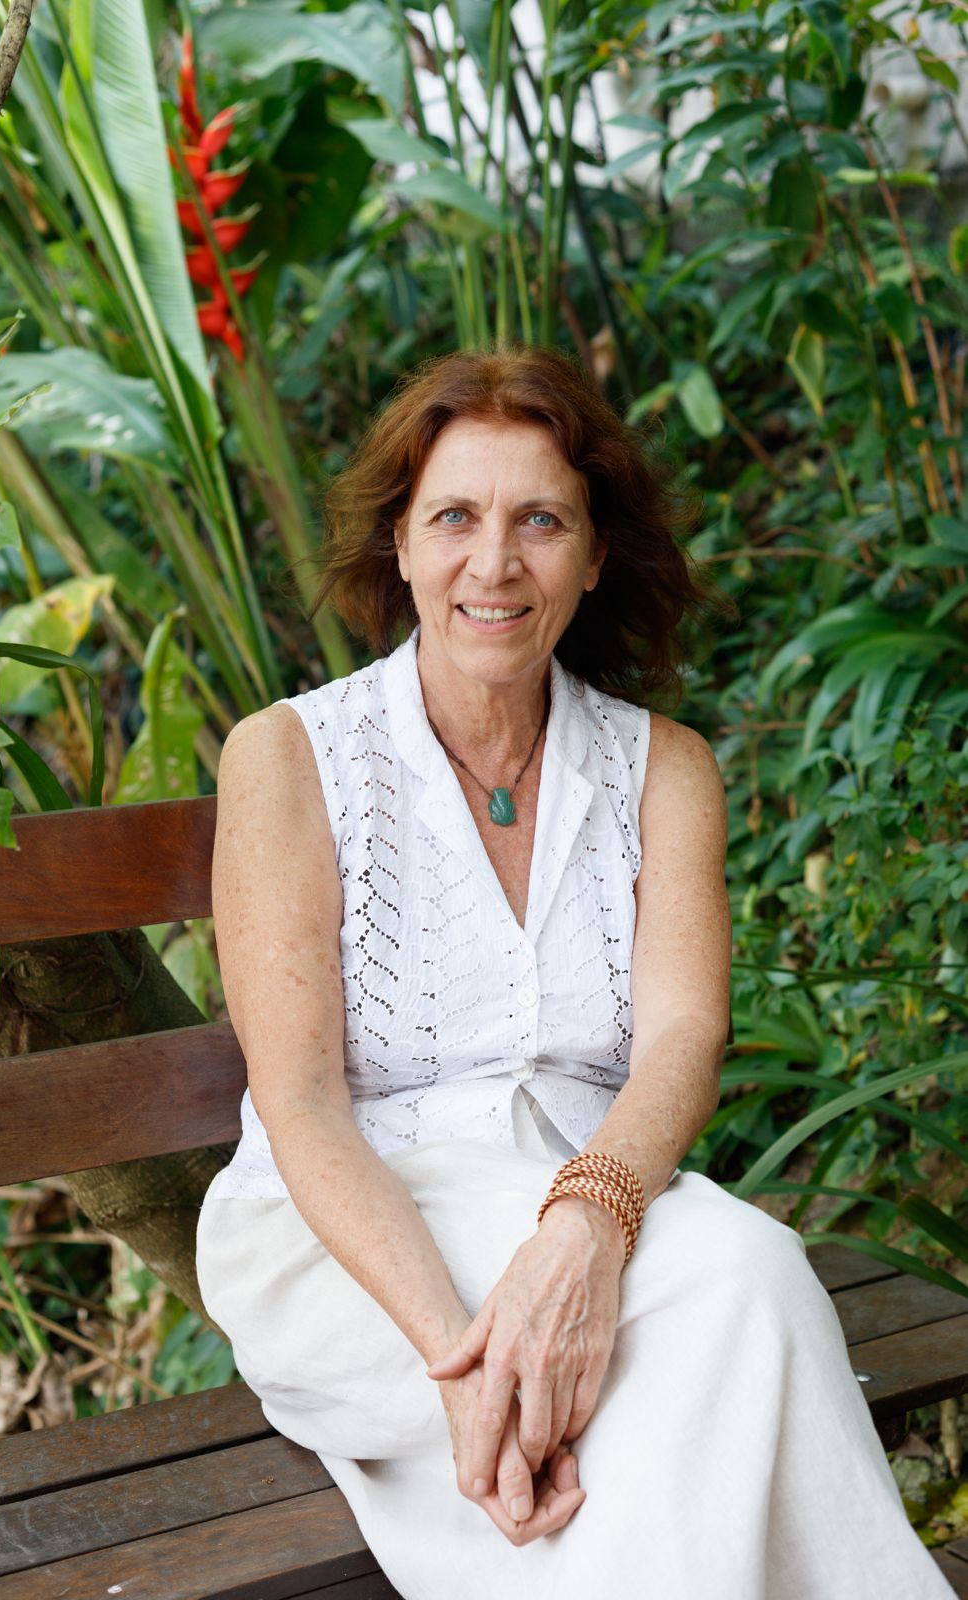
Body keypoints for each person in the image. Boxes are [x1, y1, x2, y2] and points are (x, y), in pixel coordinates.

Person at [195, 346, 954, 1599]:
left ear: (593, 556)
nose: (492, 563)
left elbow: (680, 1040)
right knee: (743, 1284)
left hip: (601, 1234)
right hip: (343, 1256)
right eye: (453, 516)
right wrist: (463, 1363)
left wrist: (585, 1230)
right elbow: (304, 1104)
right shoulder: (288, 759)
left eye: (538, 520)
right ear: (398, 543)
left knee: (708, 1343)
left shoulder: (663, 769)